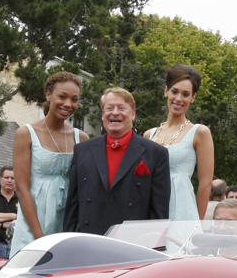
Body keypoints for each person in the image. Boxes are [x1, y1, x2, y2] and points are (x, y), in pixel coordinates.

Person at [65, 87, 170, 235]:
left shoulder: (156, 154)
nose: (115, 112)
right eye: (109, 108)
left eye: (121, 108)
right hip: (88, 240)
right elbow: (72, 206)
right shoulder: (82, 150)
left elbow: (159, 211)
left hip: (133, 243)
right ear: (103, 115)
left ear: (133, 114)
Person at [12, 71, 88, 256]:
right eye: (62, 96)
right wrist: (40, 237)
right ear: (48, 94)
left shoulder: (82, 138)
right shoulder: (26, 133)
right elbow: (22, 189)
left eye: (74, 99)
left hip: (67, 225)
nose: (68, 104)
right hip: (33, 225)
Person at [145, 64, 214, 220]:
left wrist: (199, 223)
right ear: (166, 91)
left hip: (182, 212)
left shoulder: (200, 132)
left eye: (185, 94)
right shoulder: (149, 135)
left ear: (193, 98)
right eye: (174, 91)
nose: (178, 99)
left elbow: (205, 184)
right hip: (150, 210)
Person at [0, 166, 18, 258]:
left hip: (16, 247)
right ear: (0, 179)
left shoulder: (21, 199)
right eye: (6, 177)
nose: (9, 180)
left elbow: (23, 221)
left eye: (12, 178)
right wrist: (13, 216)